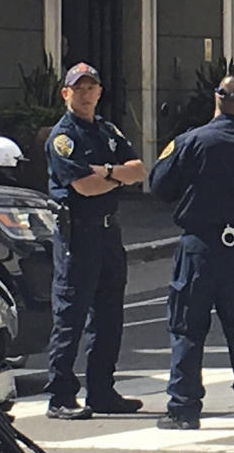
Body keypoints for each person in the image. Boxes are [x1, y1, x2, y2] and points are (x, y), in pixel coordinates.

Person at [149, 75, 234, 430]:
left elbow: (160, 186)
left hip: (199, 247)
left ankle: (183, 408)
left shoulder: (191, 141)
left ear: (217, 100)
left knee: (187, 329)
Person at [44, 62, 147, 420]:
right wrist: (116, 176)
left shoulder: (106, 131)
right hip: (79, 233)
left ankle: (101, 391)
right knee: (71, 315)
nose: (86, 94)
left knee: (108, 316)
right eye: (79, 88)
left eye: (92, 87)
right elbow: (83, 188)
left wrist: (106, 173)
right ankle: (60, 396)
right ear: (66, 93)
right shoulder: (64, 137)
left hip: (108, 233)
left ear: (100, 92)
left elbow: (139, 169)